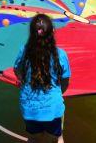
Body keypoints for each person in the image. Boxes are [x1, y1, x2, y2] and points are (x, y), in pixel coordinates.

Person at [14, 14, 71, 143]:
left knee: (33, 138)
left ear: (31, 33)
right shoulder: (60, 55)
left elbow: (17, 70)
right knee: (57, 138)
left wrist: (23, 80)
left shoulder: (24, 51)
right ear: (53, 32)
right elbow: (65, 82)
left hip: (29, 107)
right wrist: (57, 93)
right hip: (53, 106)